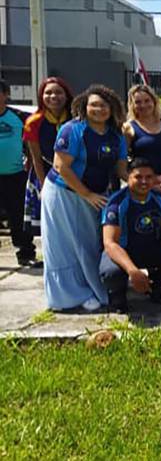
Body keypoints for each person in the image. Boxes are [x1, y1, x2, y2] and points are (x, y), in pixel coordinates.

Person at [41, 85, 128, 311]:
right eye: (93, 105)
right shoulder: (73, 130)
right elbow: (61, 167)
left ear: (112, 108)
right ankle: (68, 297)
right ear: (84, 106)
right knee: (64, 247)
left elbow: (121, 170)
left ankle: (91, 288)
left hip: (94, 197)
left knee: (88, 245)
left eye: (104, 105)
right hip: (65, 194)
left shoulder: (116, 135)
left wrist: (151, 183)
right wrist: (86, 194)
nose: (99, 109)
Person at [100, 158, 161, 313]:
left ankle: (154, 286)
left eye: (149, 177)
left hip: (151, 247)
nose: (144, 181)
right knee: (111, 273)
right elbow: (110, 243)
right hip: (125, 250)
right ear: (129, 177)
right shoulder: (116, 203)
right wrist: (132, 271)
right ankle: (118, 297)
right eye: (138, 177)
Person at [22, 76, 73, 236]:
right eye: (48, 93)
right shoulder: (33, 122)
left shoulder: (77, 118)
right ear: (41, 97)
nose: (53, 97)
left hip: (74, 172)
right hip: (45, 172)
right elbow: (36, 158)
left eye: (58, 92)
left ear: (66, 95)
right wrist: (45, 185)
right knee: (49, 221)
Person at [0, 80, 37, 267]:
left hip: (15, 176)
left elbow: (32, 141)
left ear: (6, 94)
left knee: (18, 216)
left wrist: (30, 163)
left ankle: (26, 253)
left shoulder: (20, 117)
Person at [123, 84, 161, 194]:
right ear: (132, 105)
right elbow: (122, 164)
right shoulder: (128, 128)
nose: (143, 105)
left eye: (147, 100)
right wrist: (151, 182)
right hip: (143, 188)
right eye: (138, 102)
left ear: (154, 102)